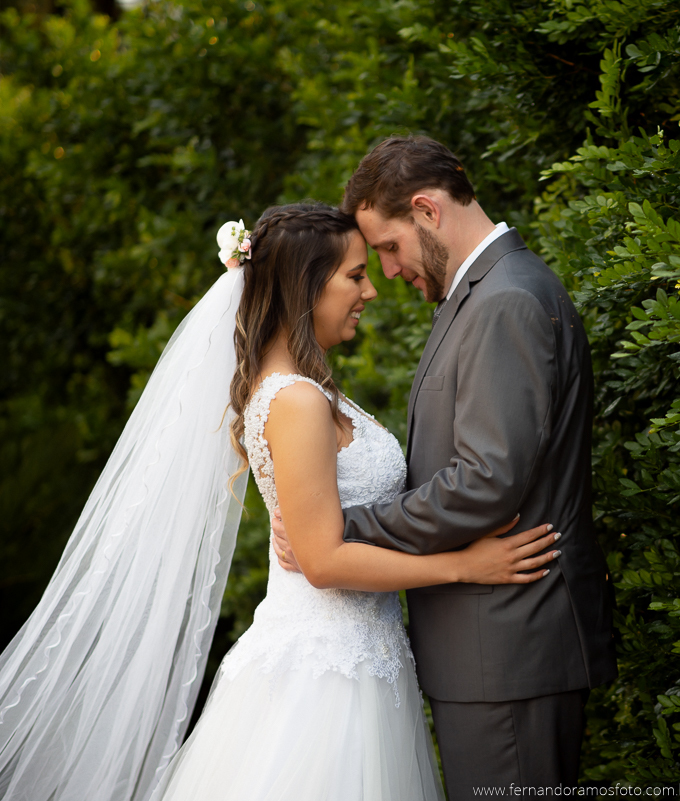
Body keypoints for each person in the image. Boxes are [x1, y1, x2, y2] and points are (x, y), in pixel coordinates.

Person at [0, 202, 561, 801]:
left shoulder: (311, 390)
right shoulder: (296, 402)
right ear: (304, 286)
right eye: (355, 276)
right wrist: (464, 566)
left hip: (365, 661)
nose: (370, 291)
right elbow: (323, 562)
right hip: (323, 679)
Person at [272, 136, 617, 798]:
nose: (390, 271)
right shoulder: (480, 297)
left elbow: (486, 482)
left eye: (390, 248)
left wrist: (350, 528)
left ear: (427, 210)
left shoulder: (505, 300)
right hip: (489, 649)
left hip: (509, 644)